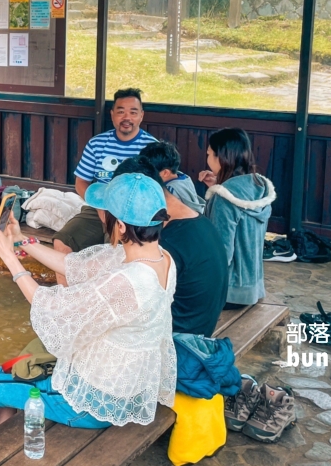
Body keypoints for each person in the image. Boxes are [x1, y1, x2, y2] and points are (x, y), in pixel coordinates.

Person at [0, 173, 176, 441]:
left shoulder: (129, 281)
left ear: (120, 226)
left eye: (105, 212)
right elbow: (74, 266)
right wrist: (19, 239)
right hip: (123, 386)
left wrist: (9, 258)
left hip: (91, 403)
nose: (101, 216)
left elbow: (51, 309)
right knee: (9, 383)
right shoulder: (160, 258)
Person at [118, 151, 228, 336]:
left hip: (179, 340)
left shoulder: (168, 242)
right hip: (200, 326)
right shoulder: (196, 221)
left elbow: (135, 300)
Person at [52, 89, 156, 281]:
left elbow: (156, 191)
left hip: (131, 216)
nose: (127, 117)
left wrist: (120, 215)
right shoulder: (97, 143)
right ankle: (67, 303)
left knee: (115, 255)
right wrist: (99, 205)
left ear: (141, 115)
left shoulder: (152, 148)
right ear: (112, 114)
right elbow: (81, 181)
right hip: (97, 208)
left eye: (133, 112)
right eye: (121, 111)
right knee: (61, 243)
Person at [199, 128, 276, 308]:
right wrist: (218, 184)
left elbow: (221, 253)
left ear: (221, 157)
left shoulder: (224, 198)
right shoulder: (259, 186)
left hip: (229, 293)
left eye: (209, 154)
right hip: (253, 288)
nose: (207, 158)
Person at [140, 140, 206, 215]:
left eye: (149, 172)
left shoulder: (170, 192)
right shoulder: (183, 177)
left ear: (165, 173)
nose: (146, 175)